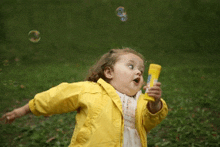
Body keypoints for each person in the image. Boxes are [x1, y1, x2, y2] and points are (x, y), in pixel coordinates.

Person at [0, 48, 168, 147]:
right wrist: (23, 110)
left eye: (141, 70)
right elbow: (56, 97)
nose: (138, 72)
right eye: (131, 66)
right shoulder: (91, 90)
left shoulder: (141, 101)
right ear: (109, 72)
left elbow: (148, 122)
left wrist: (155, 104)